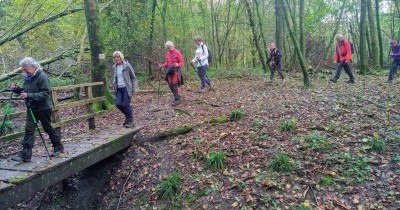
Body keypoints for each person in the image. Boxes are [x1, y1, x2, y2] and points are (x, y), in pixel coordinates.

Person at [11, 57, 64, 162]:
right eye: (23, 69)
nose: (24, 71)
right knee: (29, 130)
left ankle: (58, 147)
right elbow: (25, 91)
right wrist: (17, 90)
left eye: (26, 69)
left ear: (33, 66)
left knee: (47, 128)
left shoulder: (42, 77)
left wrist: (29, 95)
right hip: (32, 108)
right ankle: (25, 154)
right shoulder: (27, 78)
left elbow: (45, 93)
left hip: (44, 107)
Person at [112, 51, 138, 128]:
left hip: (126, 88)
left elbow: (133, 78)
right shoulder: (114, 67)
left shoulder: (127, 66)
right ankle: (128, 116)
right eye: (115, 57)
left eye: (118, 57)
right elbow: (116, 78)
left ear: (121, 57)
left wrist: (135, 88)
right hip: (118, 89)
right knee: (118, 104)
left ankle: (131, 120)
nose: (116, 58)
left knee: (126, 104)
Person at [159, 41, 185, 106]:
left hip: (175, 71)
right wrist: (162, 65)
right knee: (170, 85)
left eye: (169, 47)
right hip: (169, 71)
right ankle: (177, 97)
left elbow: (182, 62)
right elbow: (167, 63)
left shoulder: (177, 52)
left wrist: (177, 64)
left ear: (171, 46)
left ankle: (177, 99)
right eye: (167, 48)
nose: (168, 49)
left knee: (175, 85)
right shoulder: (168, 53)